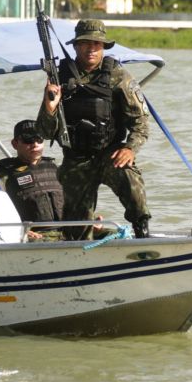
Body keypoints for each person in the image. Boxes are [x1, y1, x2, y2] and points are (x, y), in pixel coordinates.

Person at [36, 19, 151, 240]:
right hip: (76, 158)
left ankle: (141, 229)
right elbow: (45, 132)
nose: (91, 49)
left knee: (129, 176)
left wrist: (130, 148)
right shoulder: (59, 77)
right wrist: (50, 108)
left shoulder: (118, 75)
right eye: (85, 43)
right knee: (76, 231)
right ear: (76, 46)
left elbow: (140, 121)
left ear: (103, 47)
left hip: (110, 153)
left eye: (97, 44)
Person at [0, 119, 64, 241]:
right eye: (28, 139)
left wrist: (90, 221)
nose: (35, 144)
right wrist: (19, 230)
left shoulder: (54, 168)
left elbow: (73, 201)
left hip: (67, 231)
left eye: (39, 139)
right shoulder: (3, 173)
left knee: (108, 234)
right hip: (34, 236)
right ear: (15, 143)